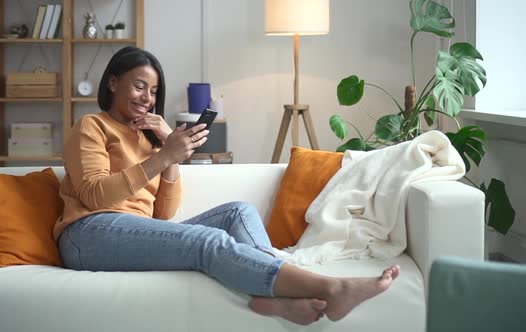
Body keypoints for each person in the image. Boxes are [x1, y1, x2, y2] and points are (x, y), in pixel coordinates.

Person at [54, 46, 401, 326]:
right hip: (88, 235)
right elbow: (95, 195)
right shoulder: (91, 126)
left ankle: (276, 298)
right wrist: (163, 157)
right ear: (113, 83)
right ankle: (331, 287)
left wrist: (168, 151)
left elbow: (163, 214)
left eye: (154, 90)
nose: (147, 97)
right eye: (139, 86)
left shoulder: (148, 140)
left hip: (131, 232)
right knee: (208, 242)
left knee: (239, 211)